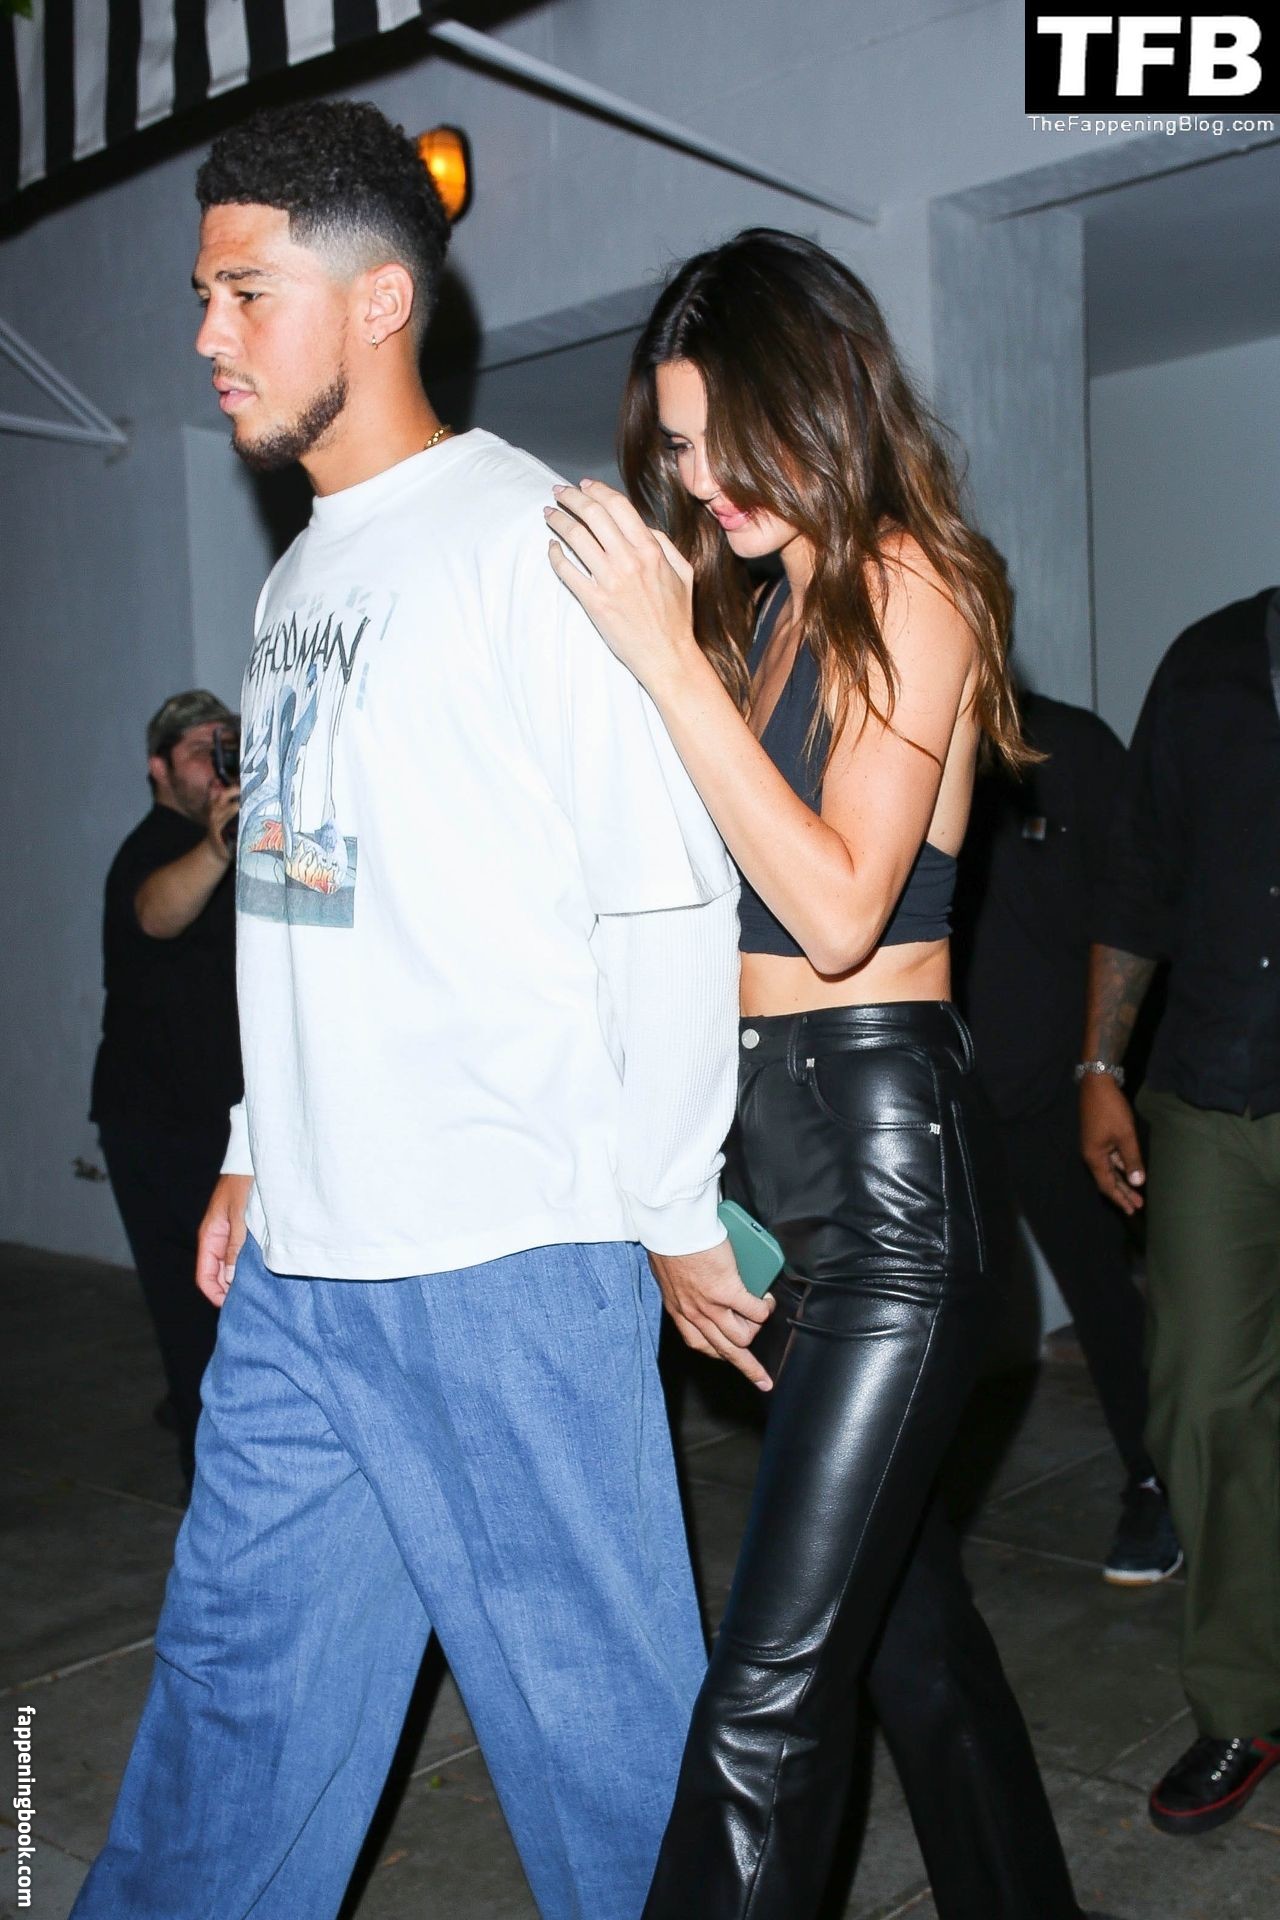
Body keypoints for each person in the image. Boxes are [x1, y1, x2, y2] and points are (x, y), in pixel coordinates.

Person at [71, 100, 756, 1920]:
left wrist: (671, 1201)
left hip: (501, 1257)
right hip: (308, 1265)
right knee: (234, 1715)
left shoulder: (537, 541)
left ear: (379, 303)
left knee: (610, 1767)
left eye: (245, 293)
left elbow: (667, 896)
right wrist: (251, 1145)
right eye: (202, 297)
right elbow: (305, 900)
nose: (207, 336)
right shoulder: (301, 575)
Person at [545, 231, 1114, 1920]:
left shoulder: (913, 580)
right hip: (770, 1164)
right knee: (910, 1648)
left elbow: (843, 907)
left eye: (726, 440)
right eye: (676, 447)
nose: (699, 480)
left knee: (762, 1711)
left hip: (885, 1183)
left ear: (817, 403)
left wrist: (665, 661)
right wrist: (676, 1197)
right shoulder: (768, 608)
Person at [1081, 585, 1280, 1837]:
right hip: (1208, 1094)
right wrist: (1098, 1067)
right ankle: (1242, 1704)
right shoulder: (1206, 661)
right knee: (1201, 1400)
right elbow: (1138, 879)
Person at [954, 690, 1179, 1583]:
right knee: (923, 1315)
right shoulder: (888, 734)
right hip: (936, 1092)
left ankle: (1159, 1480)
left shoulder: (1070, 748)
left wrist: (1104, 1073)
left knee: (1107, 1297)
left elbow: (1134, 911)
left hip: (1060, 1092)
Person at [91, 689, 242, 1487]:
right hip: (156, 1126)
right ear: (158, 768)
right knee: (194, 1321)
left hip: (222, 1123)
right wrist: (216, 848)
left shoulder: (244, 841)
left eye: (229, 745)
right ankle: (208, 1486)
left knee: (233, 1320)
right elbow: (156, 914)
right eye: (200, 750)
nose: (220, 763)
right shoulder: (151, 849)